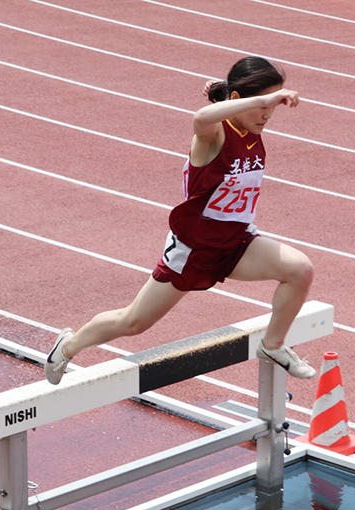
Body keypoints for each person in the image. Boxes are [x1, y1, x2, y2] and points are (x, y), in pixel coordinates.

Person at [45, 56, 316, 385]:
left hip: (236, 243)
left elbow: (222, 107)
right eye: (262, 107)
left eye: (273, 108)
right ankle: (68, 345)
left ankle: (272, 346)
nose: (267, 115)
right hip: (194, 249)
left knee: (299, 270)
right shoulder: (213, 136)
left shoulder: (249, 131)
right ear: (238, 100)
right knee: (134, 322)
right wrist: (260, 99)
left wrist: (247, 100)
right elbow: (201, 117)